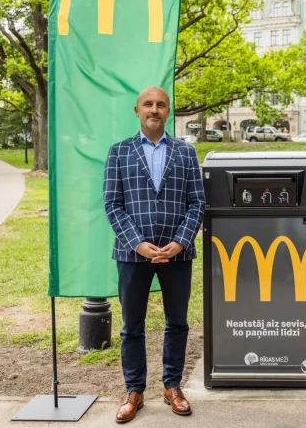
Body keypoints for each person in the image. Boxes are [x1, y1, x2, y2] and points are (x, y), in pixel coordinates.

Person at [103, 86, 205, 423]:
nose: (154, 109)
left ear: (168, 111)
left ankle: (172, 386)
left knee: (177, 322)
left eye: (161, 105)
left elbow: (198, 203)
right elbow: (113, 205)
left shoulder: (186, 152)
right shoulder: (119, 152)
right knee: (132, 325)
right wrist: (137, 243)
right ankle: (134, 390)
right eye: (148, 104)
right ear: (137, 111)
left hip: (177, 253)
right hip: (133, 254)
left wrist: (180, 241)